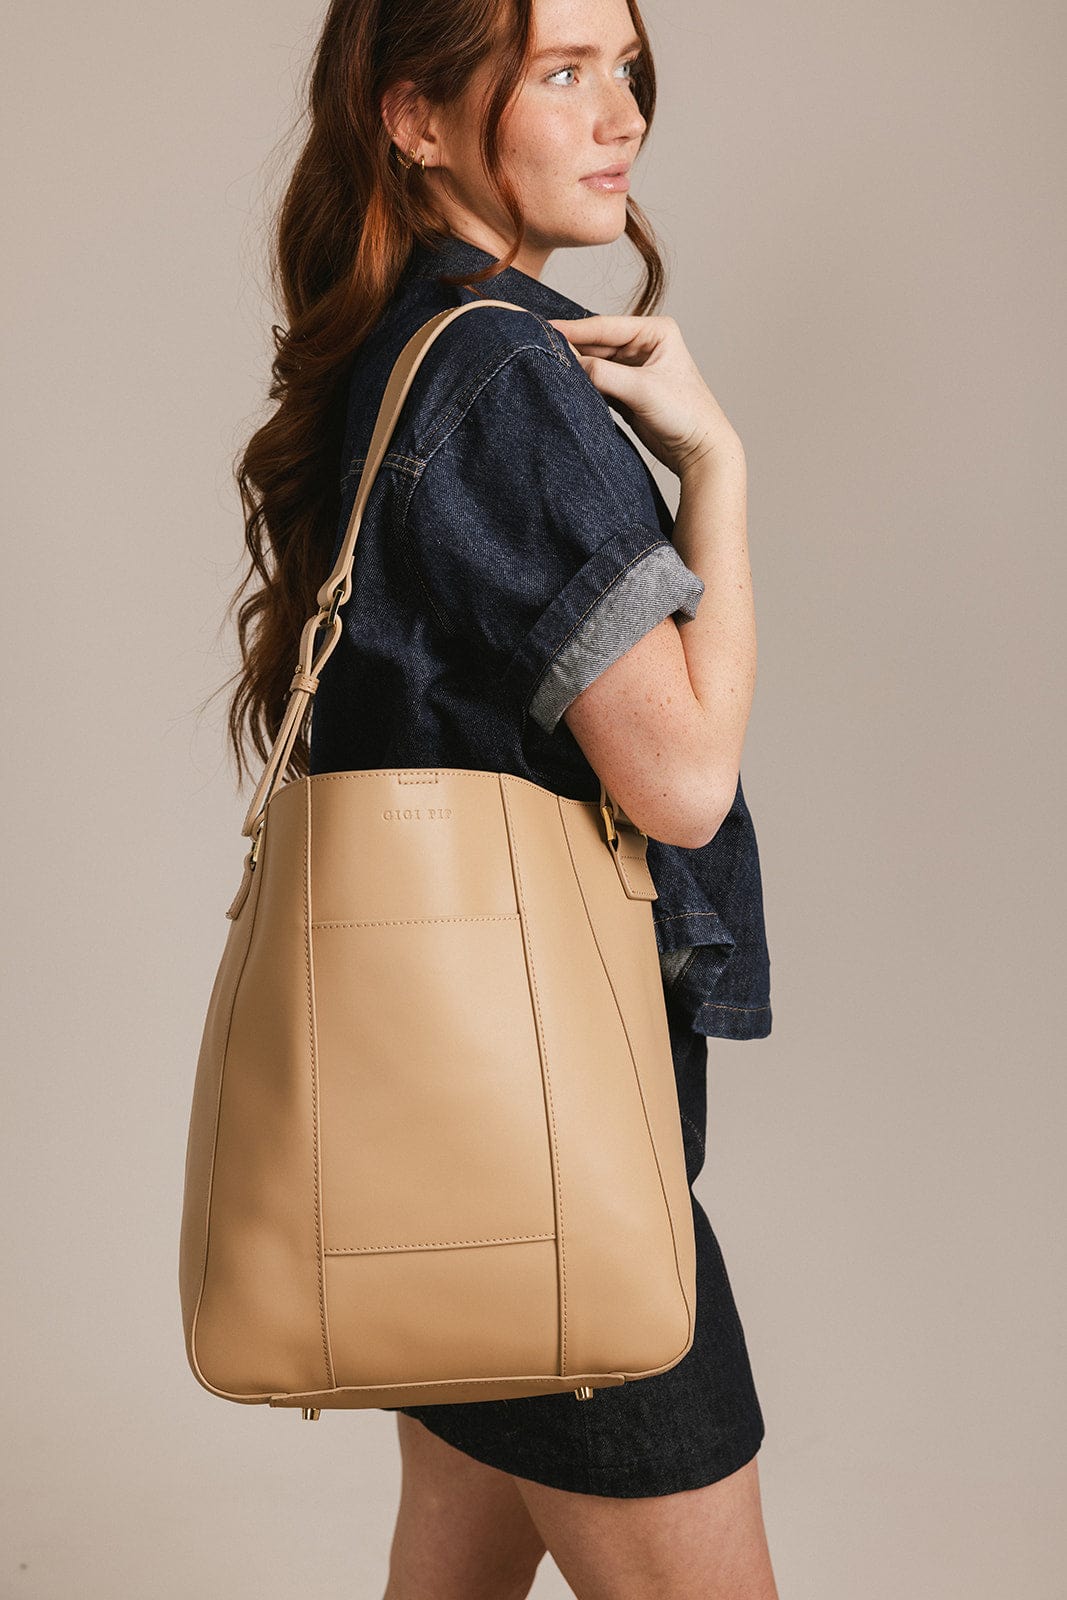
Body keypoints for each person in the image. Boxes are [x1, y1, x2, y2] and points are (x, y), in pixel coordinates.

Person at [225, 0, 779, 1594]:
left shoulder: (399, 344)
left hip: (444, 1141)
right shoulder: (500, 371)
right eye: (561, 71)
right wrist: (720, 473)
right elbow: (681, 780)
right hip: (549, 1165)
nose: (624, 115)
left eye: (626, 68)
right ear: (413, 117)